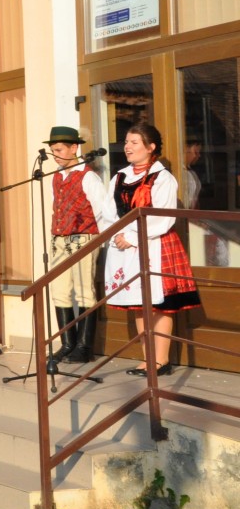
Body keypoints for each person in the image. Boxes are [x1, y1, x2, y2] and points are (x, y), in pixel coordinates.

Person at [102, 122, 201, 378]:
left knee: (159, 304)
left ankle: (161, 360)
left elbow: (163, 216)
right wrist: (118, 235)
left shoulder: (162, 178)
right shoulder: (120, 177)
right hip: (125, 247)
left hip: (155, 243)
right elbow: (107, 213)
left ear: (150, 147)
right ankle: (148, 359)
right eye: (127, 142)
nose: (127, 147)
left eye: (134, 142)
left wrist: (132, 236)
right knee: (139, 302)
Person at [43, 126, 109, 364]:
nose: (56, 155)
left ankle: (84, 346)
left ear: (74, 148)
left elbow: (102, 210)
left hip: (83, 237)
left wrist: (96, 239)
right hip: (60, 239)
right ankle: (67, 343)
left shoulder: (88, 176)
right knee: (59, 291)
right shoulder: (57, 176)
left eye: (59, 150)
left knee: (84, 291)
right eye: (53, 151)